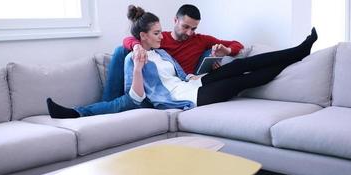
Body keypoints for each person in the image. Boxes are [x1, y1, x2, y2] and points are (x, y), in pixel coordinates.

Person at [47, 5, 317, 118]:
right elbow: (137, 97)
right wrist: (138, 60)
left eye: (193, 28)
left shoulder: (162, 51)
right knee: (243, 80)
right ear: (146, 35)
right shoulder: (138, 55)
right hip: (186, 99)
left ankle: (298, 51)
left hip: (191, 84)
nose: (161, 36)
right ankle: (78, 113)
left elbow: (177, 73)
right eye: (156, 33)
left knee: (238, 65)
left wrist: (197, 72)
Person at [103, 4, 243, 101]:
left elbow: (238, 45)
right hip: (158, 86)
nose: (189, 33)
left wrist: (227, 50)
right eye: (185, 27)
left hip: (184, 84)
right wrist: (136, 46)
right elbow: (128, 39)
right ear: (175, 20)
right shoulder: (159, 38)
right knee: (121, 51)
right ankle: (109, 102)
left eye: (193, 28)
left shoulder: (201, 40)